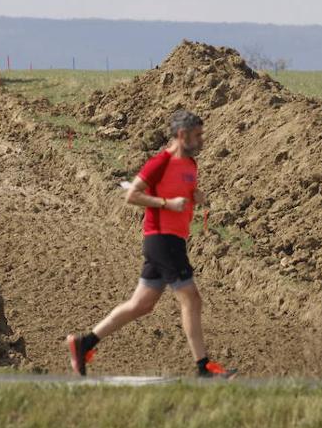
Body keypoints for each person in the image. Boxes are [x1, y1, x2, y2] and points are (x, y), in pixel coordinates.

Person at [66, 109, 234, 379]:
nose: (202, 140)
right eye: (197, 135)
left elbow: (182, 191)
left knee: (141, 305)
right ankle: (204, 368)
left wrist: (194, 195)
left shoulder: (191, 165)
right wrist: (167, 204)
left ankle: (84, 343)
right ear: (181, 135)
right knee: (191, 298)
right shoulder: (159, 163)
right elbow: (132, 195)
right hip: (161, 239)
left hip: (174, 239)